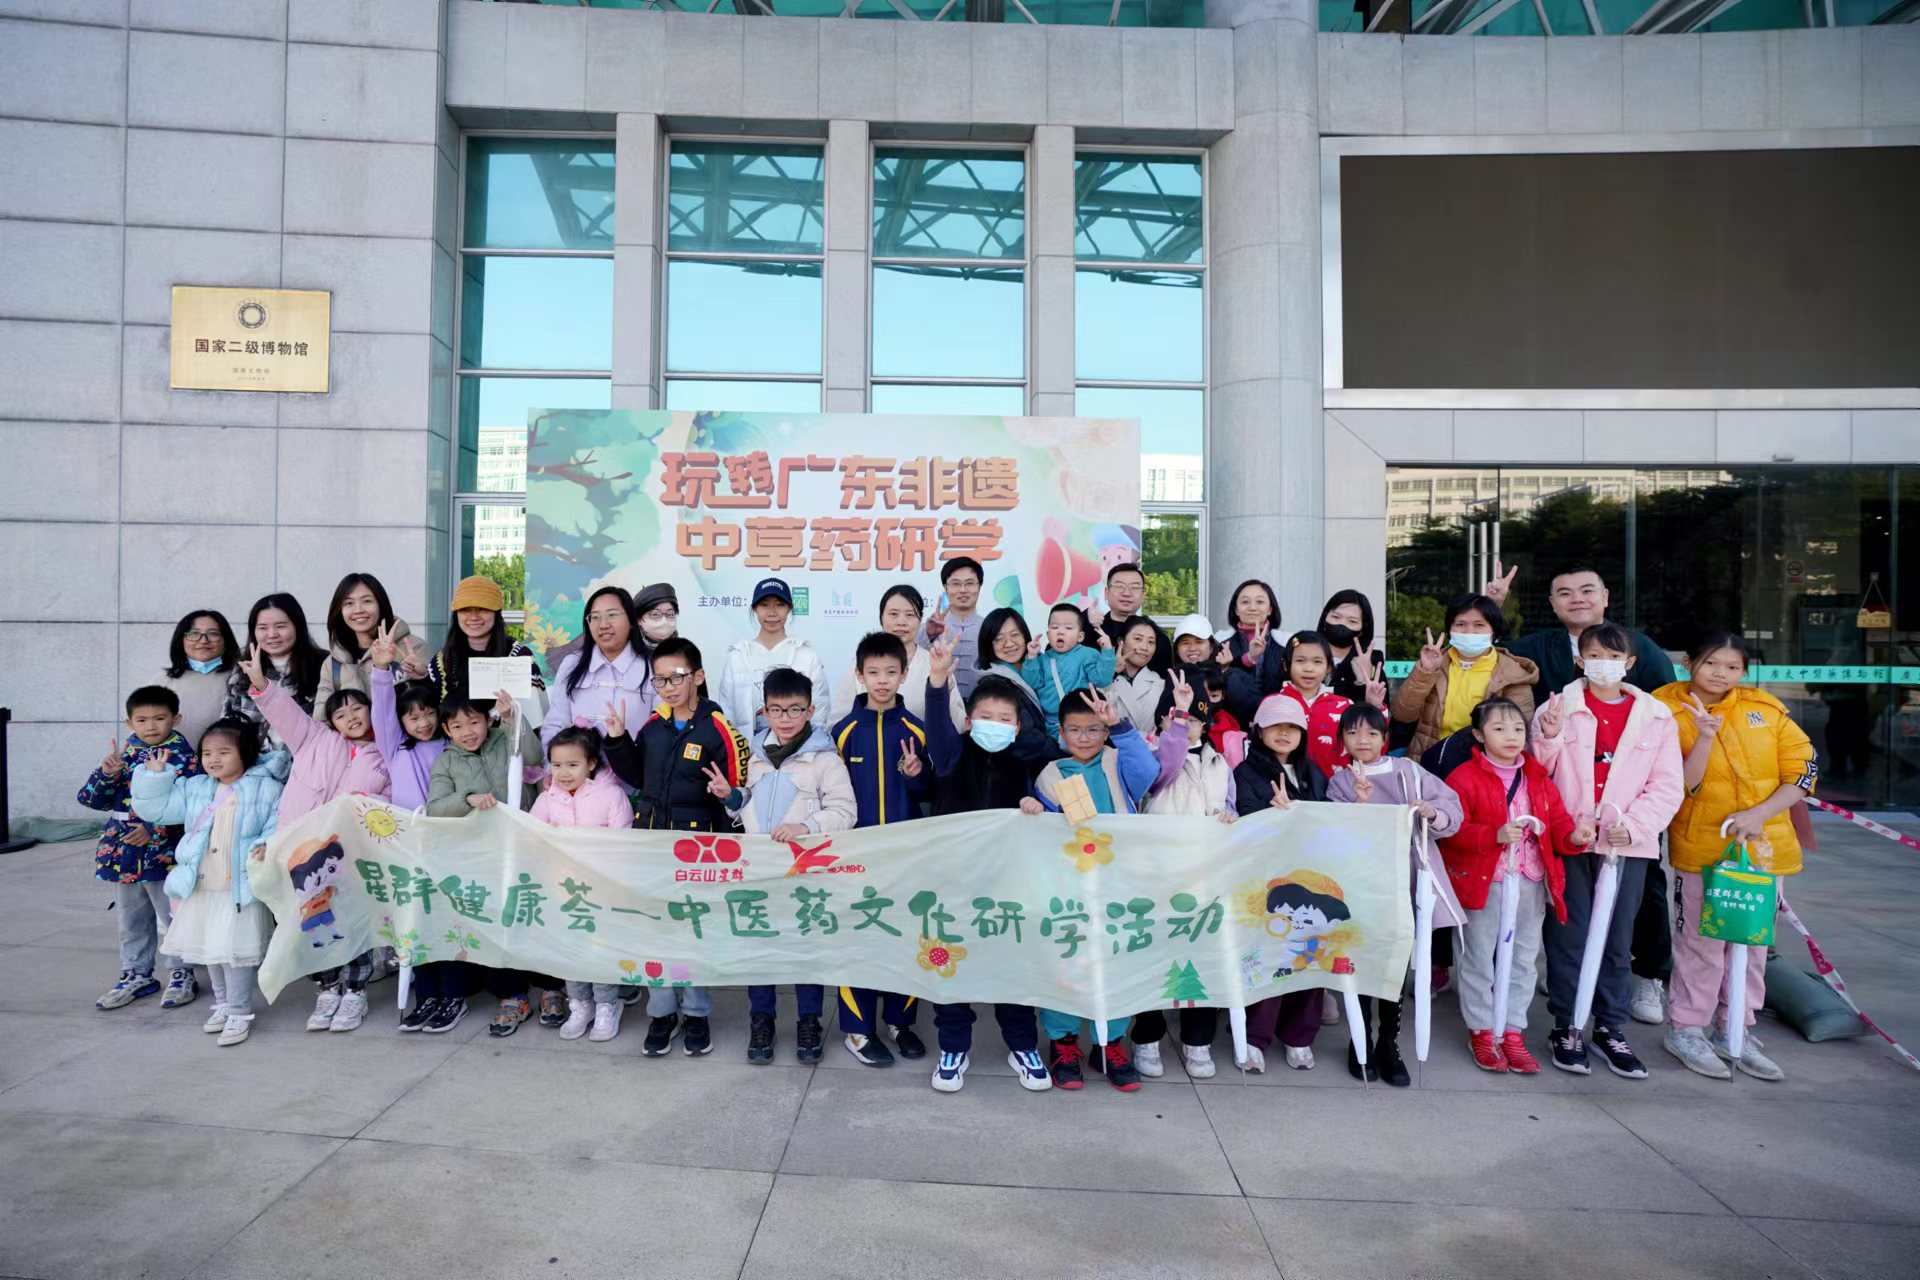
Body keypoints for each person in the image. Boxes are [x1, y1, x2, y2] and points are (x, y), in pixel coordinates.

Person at [1654, 632, 1817, 1083]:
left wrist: (1759, 814)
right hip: (1702, 849)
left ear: (1744, 672)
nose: (1720, 674)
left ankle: (1737, 1029)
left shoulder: (1765, 709)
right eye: (1711, 663)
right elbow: (1678, 785)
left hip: (1764, 851)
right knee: (1701, 944)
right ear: (1689, 663)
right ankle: (1687, 1029)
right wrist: (1705, 737)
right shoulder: (1663, 710)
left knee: (1752, 944)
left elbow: (1803, 769)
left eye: (1732, 667)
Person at [1530, 622, 1684, 1080]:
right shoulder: (1557, 708)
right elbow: (1537, 774)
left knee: (1618, 939)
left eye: (1614, 657)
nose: (1604, 664)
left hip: (1627, 848)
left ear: (1630, 664)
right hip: (1571, 842)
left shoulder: (1656, 716)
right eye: (1594, 655)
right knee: (1568, 937)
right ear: (1580, 660)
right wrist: (1548, 738)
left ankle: (1609, 1027)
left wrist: (1633, 828)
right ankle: (1566, 1024)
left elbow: (1667, 785)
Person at [921, 640, 1056, 1093]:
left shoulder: (1028, 761)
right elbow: (937, 729)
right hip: (952, 882)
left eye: (1003, 719)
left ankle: (1023, 1045)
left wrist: (1036, 806)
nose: (993, 725)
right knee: (950, 967)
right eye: (985, 717)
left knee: (1011, 966)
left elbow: (1059, 803)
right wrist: (937, 681)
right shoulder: (952, 755)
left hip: (1008, 885)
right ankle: (953, 1047)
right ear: (968, 720)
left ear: (1017, 727)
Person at [605, 637, 748, 1058]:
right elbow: (637, 777)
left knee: (691, 933)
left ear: (698, 677)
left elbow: (736, 794)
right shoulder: (653, 726)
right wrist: (617, 739)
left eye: (676, 678)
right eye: (660, 680)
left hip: (697, 852)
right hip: (651, 845)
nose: (667, 687)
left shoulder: (719, 729)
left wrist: (727, 831)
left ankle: (697, 1014)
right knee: (656, 931)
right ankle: (662, 1013)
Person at [243, 644, 392, 1035]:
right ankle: (326, 989)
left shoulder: (386, 754)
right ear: (331, 721)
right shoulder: (313, 740)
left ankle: (355, 991)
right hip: (304, 854)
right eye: (340, 713)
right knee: (312, 922)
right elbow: (284, 711)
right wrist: (261, 684)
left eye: (357, 709)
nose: (351, 717)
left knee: (354, 921)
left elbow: (391, 803)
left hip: (352, 856)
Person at [717, 667, 856, 1066]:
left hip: (805, 873)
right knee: (759, 948)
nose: (786, 718)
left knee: (805, 948)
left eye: (796, 709)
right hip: (760, 873)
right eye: (777, 710)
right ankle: (761, 1021)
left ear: (810, 710)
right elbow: (748, 806)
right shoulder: (754, 755)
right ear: (764, 711)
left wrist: (806, 827)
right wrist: (731, 798)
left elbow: (845, 812)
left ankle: (809, 1021)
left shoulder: (825, 759)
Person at [1325, 704, 1466, 1087]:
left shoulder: (1409, 771)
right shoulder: (1340, 782)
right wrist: (1359, 804)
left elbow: (1451, 809)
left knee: (1396, 963)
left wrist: (1430, 812)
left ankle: (1389, 1043)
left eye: (1371, 733)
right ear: (1342, 740)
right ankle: (1360, 1041)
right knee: (1362, 961)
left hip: (1407, 878)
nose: (1363, 740)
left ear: (1385, 738)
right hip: (1363, 884)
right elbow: (1335, 834)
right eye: (1353, 733)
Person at [1439, 698, 1580, 1075]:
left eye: (1518, 729)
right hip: (1485, 883)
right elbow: (1451, 831)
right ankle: (1482, 1030)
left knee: (1523, 958)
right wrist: (1493, 836)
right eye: (1499, 729)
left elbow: (1559, 822)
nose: (1511, 736)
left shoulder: (1537, 776)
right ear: (1478, 734)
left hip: (1531, 880)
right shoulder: (1464, 777)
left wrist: (1575, 836)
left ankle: (1513, 1030)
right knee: (1477, 957)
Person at [1028, 686, 1157, 1092]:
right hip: (1069, 889)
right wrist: (1032, 807)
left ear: (1105, 732)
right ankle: (1064, 1043)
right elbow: (1044, 828)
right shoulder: (1051, 775)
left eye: (1093, 729)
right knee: (1067, 963)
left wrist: (1119, 725)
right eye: (1075, 730)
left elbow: (1148, 771)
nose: (1084, 738)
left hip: (1119, 885)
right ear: (1060, 733)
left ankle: (1109, 1044)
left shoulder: (1119, 763)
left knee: (1115, 963)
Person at [129, 719, 287, 1047]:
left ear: (245, 753)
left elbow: (279, 822)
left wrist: (266, 844)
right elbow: (158, 810)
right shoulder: (195, 786)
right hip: (200, 885)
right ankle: (223, 1003)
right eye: (207, 753)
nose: (213, 759)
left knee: (235, 953)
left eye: (223, 752)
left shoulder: (267, 788)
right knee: (211, 949)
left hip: (239, 887)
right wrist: (154, 777)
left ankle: (240, 1011)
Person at [1133, 670, 1239, 1080]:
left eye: (1195, 718)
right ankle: (1147, 1037)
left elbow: (1229, 807)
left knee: (1202, 961)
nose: (1187, 723)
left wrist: (1228, 817)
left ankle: (1198, 1042)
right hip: (1156, 874)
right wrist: (1176, 723)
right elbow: (1168, 766)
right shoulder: (1150, 755)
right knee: (1152, 956)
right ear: (1163, 720)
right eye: (1178, 716)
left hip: (1205, 876)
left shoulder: (1219, 763)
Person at [832, 631, 930, 1067]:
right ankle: (858, 1029)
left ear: (904, 675)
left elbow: (929, 792)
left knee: (904, 936)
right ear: (859, 675)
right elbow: (832, 798)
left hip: (905, 858)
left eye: (891, 672)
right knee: (858, 939)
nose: (883, 680)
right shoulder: (842, 733)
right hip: (855, 859)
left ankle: (900, 1023)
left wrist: (916, 774)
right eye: (873, 672)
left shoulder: (916, 731)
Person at [426, 692, 543, 1036]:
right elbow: (435, 807)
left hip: (526, 848)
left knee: (535, 917)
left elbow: (534, 760)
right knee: (494, 922)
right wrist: (467, 799)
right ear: (446, 729)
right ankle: (512, 996)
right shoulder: (446, 762)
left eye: (474, 721)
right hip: (481, 857)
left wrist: (512, 720)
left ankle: (552, 989)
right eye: (457, 726)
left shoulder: (505, 738)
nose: (467, 731)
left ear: (487, 719)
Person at [80, 687, 203, 1012]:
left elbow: (196, 804)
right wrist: (107, 773)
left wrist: (154, 828)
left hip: (164, 852)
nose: (150, 726)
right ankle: (136, 973)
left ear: (176, 718)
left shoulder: (185, 758)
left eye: (159, 718)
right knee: (131, 917)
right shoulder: (124, 754)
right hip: (123, 851)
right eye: (142, 720)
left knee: (173, 915)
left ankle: (182, 972)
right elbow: (91, 799)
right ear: (129, 722)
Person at [366, 626, 462, 1034]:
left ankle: (452, 997)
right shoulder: (394, 748)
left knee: (449, 923)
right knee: (415, 924)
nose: (422, 722)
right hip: (407, 850)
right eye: (412, 716)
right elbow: (381, 711)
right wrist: (381, 670)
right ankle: (427, 998)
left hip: (448, 847)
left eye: (427, 714)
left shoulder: (452, 745)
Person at [1233, 696, 1328, 1072]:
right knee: (1267, 956)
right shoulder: (1245, 771)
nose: (1285, 733)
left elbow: (1327, 817)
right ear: (1259, 731)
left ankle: (1299, 1036)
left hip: (1312, 879)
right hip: (1267, 881)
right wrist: (1274, 815)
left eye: (1292, 727)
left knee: (1309, 955)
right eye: (1275, 726)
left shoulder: (1313, 772)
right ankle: (1254, 1037)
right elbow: (1245, 818)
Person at [533, 726, 636, 1044]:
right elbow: (531, 837)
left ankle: (607, 1004)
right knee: (571, 948)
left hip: (601, 890)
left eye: (572, 764)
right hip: (563, 890)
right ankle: (580, 1004)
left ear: (591, 763)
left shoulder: (612, 796)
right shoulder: (547, 799)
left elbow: (624, 844)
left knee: (600, 949)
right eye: (557, 765)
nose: (563, 773)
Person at [1390, 593, 1539, 764]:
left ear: (1493, 632)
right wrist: (1425, 672)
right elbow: (1402, 714)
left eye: (1479, 625)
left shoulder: (1513, 675)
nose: (1469, 632)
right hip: (1430, 763)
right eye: (1461, 624)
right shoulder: (1435, 664)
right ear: (1450, 629)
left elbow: (1519, 732)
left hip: (1484, 766)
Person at [542, 586, 653, 752]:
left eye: (612, 615)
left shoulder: (653, 666)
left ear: (631, 621)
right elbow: (555, 724)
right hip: (577, 767)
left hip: (633, 767)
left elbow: (661, 732)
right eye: (595, 617)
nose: (603, 625)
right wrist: (555, 764)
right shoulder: (572, 663)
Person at [718, 577, 832, 738]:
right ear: (755, 608)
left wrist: (807, 748)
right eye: (764, 605)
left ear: (789, 608)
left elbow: (819, 712)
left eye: (779, 605)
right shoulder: (737, 656)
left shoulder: (806, 655)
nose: (772, 613)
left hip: (796, 749)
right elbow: (727, 712)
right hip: (747, 749)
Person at [832, 584, 959, 724]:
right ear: (881, 618)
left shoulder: (934, 664)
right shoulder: (862, 662)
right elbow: (838, 722)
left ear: (920, 620)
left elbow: (957, 724)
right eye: (893, 614)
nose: (901, 622)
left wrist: (942, 687)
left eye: (910, 615)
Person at [223, 593, 326, 756]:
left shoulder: (323, 665)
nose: (272, 634)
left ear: (297, 626)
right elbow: (228, 728)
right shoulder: (243, 669)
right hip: (256, 766)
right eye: (263, 628)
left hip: (310, 762)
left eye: (281, 626)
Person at [427, 575, 547, 714]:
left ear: (497, 613)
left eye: (483, 609)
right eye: (466, 609)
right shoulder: (441, 661)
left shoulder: (520, 656)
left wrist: (510, 715)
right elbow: (428, 715)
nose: (474, 617)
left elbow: (536, 717)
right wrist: (418, 679)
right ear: (456, 614)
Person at [311, 573, 421, 720]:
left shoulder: (412, 648)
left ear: (381, 604)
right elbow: (321, 722)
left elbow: (429, 708)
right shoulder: (332, 664)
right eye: (349, 603)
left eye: (367, 601)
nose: (358, 610)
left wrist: (422, 677)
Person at [1023, 602, 1117, 737]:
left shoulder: (1088, 654)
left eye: (1068, 628)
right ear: (1048, 635)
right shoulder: (1041, 660)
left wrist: (1107, 651)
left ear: (1080, 636)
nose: (1060, 631)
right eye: (1055, 627)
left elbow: (1102, 680)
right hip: (1052, 724)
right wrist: (1031, 657)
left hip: (1083, 720)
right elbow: (1032, 684)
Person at [1278, 631, 1362, 778]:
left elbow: (1367, 747)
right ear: (1286, 665)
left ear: (1329, 667)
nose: (1309, 668)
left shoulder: (1345, 705)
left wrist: (1378, 707)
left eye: (1317, 662)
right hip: (1286, 786)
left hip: (1337, 787)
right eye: (1300, 661)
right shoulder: (1274, 704)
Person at [157, 610, 241, 746]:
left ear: (225, 641)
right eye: (194, 634)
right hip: (172, 758)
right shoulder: (163, 680)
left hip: (226, 757)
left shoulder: (239, 678)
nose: (203, 641)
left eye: (213, 634)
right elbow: (143, 724)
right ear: (181, 640)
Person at [919, 556, 988, 701]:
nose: (963, 590)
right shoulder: (931, 627)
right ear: (946, 587)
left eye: (969, 583)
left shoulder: (989, 626)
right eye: (955, 584)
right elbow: (911, 659)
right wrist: (929, 635)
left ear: (980, 586)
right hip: (938, 703)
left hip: (981, 706)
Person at [1222, 579, 1285, 725]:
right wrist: (1249, 658)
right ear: (1236, 610)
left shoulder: (1286, 644)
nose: (1252, 607)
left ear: (1270, 609)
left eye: (1260, 602)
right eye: (1245, 602)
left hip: (1277, 722)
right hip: (1232, 724)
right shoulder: (1222, 645)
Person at [1094, 563, 1173, 675]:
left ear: (1143, 595)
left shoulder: (1158, 638)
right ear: (1106, 593)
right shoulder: (1091, 631)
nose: (1127, 593)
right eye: (1119, 586)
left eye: (1135, 588)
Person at [1317, 590, 1388, 708]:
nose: (1342, 624)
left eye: (1352, 621)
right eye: (1336, 617)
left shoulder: (1373, 668)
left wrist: (1363, 682)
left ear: (1362, 629)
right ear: (1325, 618)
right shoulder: (1304, 658)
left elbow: (1380, 715)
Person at [1106, 615, 1169, 737]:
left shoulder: (1160, 684)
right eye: (1138, 639)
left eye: (1151, 642)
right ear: (1121, 642)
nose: (1144, 647)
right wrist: (1112, 672)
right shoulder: (1102, 679)